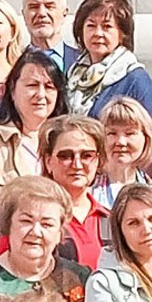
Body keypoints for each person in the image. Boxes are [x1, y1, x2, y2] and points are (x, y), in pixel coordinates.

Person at [68, 0, 152, 122]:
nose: (98, 33)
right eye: (91, 26)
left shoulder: (135, 79)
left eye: (107, 27)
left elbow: (145, 132)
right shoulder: (72, 75)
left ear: (122, 34)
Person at [0, 51, 69, 184]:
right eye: (32, 85)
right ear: (12, 90)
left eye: (49, 87)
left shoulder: (68, 139)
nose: (41, 94)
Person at [43, 115, 107, 268]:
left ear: (98, 161)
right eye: (65, 156)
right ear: (48, 162)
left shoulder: (112, 221)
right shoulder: (29, 218)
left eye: (87, 156)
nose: (77, 164)